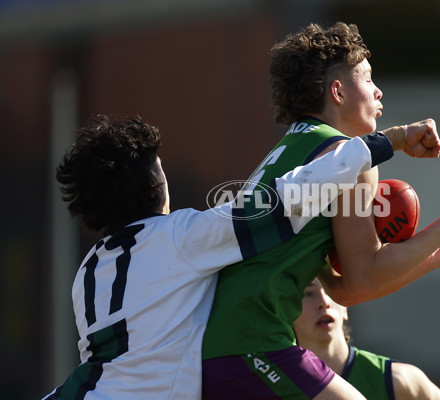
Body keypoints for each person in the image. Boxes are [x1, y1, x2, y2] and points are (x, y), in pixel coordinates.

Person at [202, 21, 440, 399]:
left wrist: (436, 253)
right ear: (337, 91)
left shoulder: (288, 151)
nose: (378, 91)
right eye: (368, 79)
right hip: (253, 342)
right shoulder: (352, 157)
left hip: (219, 347)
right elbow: (365, 277)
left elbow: (342, 289)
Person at [41, 113, 406, 400]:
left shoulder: (88, 269)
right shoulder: (180, 237)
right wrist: (385, 143)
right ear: (155, 187)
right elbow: (291, 194)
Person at [294, 278, 440, 400]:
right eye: (309, 293)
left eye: (330, 291)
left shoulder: (396, 381)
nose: (324, 302)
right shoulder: (278, 383)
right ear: (286, 312)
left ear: (345, 307)